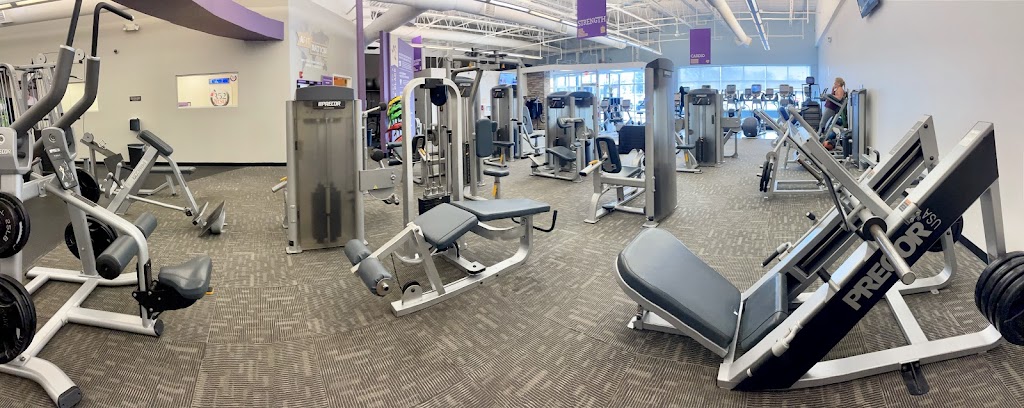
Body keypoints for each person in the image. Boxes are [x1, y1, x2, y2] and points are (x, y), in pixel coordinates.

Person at [818, 77, 846, 147]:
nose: (834, 83)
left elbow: (839, 98)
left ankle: (819, 137)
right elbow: (835, 97)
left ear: (838, 83)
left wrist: (830, 95)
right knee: (822, 123)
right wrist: (832, 91)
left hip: (831, 108)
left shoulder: (840, 89)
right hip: (829, 107)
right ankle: (820, 135)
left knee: (822, 123)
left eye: (835, 82)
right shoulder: (837, 89)